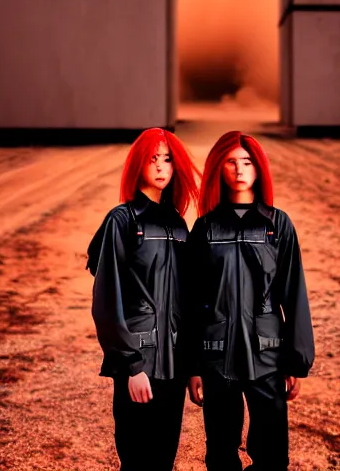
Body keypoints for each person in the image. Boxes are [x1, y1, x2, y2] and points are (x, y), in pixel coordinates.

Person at [186, 130, 315, 471]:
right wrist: (194, 368)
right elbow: (191, 302)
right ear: (219, 169)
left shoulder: (277, 226)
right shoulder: (206, 229)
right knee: (220, 453)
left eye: (247, 162)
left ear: (259, 168)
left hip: (268, 357)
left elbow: (294, 294)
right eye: (231, 162)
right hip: (217, 359)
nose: (240, 170)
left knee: (272, 454)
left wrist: (296, 361)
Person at [91, 127, 200, 471]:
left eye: (167, 159)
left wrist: (194, 368)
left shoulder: (179, 225)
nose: (161, 167)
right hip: (140, 363)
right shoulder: (121, 220)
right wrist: (131, 366)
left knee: (163, 459)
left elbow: (189, 302)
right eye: (153, 159)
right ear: (138, 164)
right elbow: (108, 301)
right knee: (137, 460)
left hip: (175, 366)